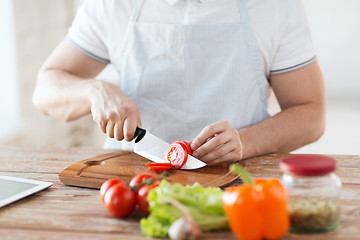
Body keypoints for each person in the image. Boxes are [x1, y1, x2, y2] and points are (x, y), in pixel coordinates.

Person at [32, 0, 326, 165]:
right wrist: (94, 90)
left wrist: (245, 142)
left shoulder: (275, 7)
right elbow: (45, 89)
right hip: (133, 184)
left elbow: (311, 115)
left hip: (240, 179)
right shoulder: (114, 5)